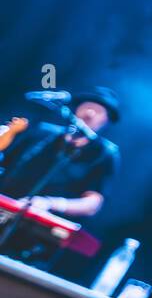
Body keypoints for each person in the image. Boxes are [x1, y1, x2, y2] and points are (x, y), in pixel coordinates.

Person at [0, 86, 121, 220]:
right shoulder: (43, 132)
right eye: (88, 106)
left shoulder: (104, 153)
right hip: (6, 204)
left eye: (98, 111)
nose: (90, 113)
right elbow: (5, 163)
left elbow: (93, 203)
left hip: (39, 222)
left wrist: (51, 203)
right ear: (77, 109)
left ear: (106, 121)